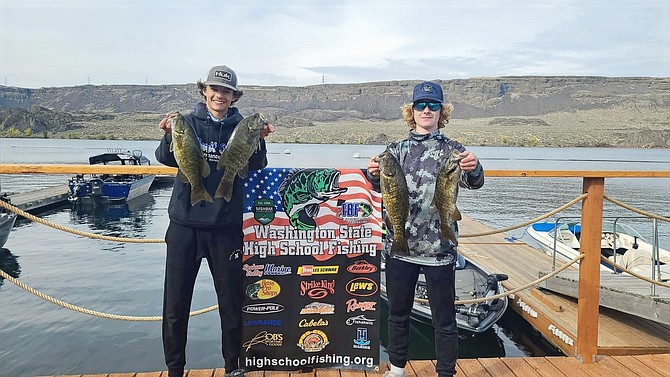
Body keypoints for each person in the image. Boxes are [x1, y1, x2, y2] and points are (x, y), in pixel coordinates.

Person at [155, 65, 275, 377]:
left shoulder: (243, 125)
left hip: (226, 227)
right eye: (215, 89)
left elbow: (258, 165)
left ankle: (233, 367)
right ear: (204, 92)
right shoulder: (188, 121)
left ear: (234, 96)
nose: (220, 95)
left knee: (232, 304)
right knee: (175, 303)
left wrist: (260, 140)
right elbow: (166, 159)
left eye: (226, 91)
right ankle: (174, 369)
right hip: (184, 225)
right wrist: (168, 137)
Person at [366, 81, 484, 377]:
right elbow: (382, 188)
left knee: (444, 319)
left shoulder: (454, 150)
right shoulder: (394, 150)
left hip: (440, 251)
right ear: (412, 111)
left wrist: (475, 166)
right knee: (397, 315)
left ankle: (446, 372)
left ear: (442, 112)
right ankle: (396, 368)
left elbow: (475, 182)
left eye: (433, 105)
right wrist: (372, 175)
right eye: (421, 105)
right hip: (399, 247)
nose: (427, 110)